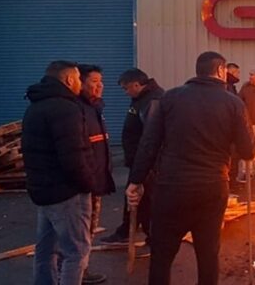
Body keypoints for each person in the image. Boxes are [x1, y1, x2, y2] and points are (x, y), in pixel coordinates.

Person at [126, 52, 255, 285]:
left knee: (162, 255)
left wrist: (135, 181)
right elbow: (248, 152)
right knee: (207, 254)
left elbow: (149, 144)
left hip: (171, 188)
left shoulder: (170, 98)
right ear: (220, 71)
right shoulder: (233, 103)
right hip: (212, 188)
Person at [22, 60, 94, 285]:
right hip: (66, 193)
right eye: (79, 79)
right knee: (76, 251)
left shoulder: (36, 106)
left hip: (44, 190)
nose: (81, 84)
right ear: (69, 79)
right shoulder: (66, 109)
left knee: (46, 249)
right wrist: (88, 183)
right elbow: (73, 156)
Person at [100, 68, 164, 247]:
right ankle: (127, 230)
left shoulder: (153, 101)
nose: (125, 92)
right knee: (135, 198)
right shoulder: (140, 100)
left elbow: (151, 137)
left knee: (147, 199)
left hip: (147, 163)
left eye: (126, 88)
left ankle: (154, 238)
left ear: (137, 84)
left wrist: (145, 164)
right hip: (138, 160)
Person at [76, 64, 114, 285]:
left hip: (94, 180)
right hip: (83, 183)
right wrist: (88, 179)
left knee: (88, 229)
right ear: (78, 82)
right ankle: (74, 273)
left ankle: (82, 269)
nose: (100, 86)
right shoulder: (77, 110)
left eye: (101, 81)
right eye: (94, 81)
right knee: (79, 233)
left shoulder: (94, 108)